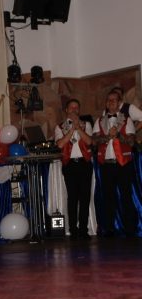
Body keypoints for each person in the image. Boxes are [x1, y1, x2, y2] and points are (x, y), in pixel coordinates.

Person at [93, 90, 137, 237]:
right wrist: (107, 137)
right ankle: (109, 229)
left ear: (119, 103)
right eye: (108, 100)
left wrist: (118, 135)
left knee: (126, 196)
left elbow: (131, 142)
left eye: (114, 100)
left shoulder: (126, 120)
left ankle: (130, 229)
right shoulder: (100, 121)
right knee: (108, 197)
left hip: (123, 163)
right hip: (106, 164)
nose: (111, 102)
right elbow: (94, 141)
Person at [55, 99, 93, 239]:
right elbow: (60, 144)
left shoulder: (86, 124)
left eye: (76, 107)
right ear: (66, 110)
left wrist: (79, 128)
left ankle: (83, 229)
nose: (74, 110)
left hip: (84, 163)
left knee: (85, 197)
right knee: (72, 198)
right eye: (71, 108)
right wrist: (71, 129)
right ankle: (73, 229)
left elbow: (89, 141)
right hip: (70, 164)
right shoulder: (60, 127)